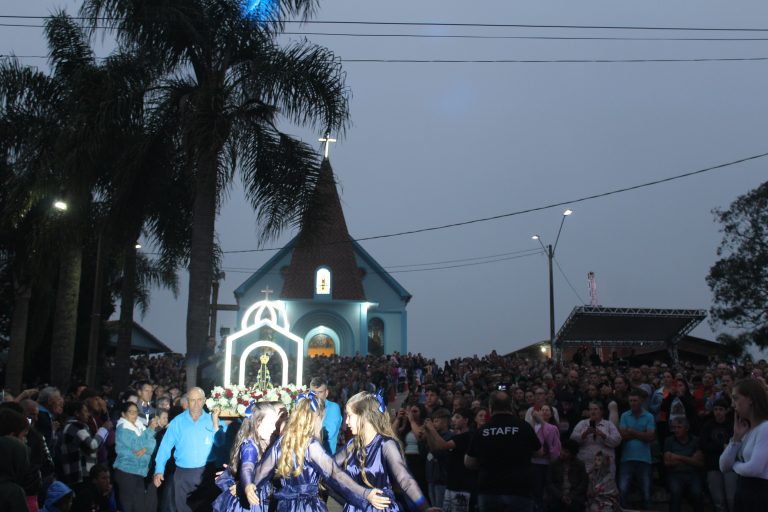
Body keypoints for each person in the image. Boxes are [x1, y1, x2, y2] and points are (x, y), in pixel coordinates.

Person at [250, 392, 391, 511]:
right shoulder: (311, 445)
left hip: (284, 506)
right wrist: (365, 493)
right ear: (318, 417)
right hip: (307, 506)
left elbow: (261, 472)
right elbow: (335, 474)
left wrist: (246, 485)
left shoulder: (282, 443)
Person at [336, 390, 439, 512]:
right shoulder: (352, 444)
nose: (346, 422)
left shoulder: (386, 444)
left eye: (349, 416)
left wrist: (425, 508)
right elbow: (329, 470)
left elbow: (405, 479)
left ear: (364, 416)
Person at [465, 390, 542, 512]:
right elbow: (539, 452)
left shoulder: (482, 430)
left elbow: (468, 462)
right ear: (510, 406)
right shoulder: (523, 427)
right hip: (520, 490)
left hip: (489, 489)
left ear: (490, 408)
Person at [153, 387, 224, 512]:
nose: (196, 404)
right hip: (183, 474)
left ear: (204, 401)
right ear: (187, 401)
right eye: (192, 400)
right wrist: (159, 469)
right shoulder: (177, 421)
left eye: (199, 400)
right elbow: (165, 447)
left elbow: (220, 443)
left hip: (206, 473)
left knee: (206, 509)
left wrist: (215, 424)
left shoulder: (213, 419)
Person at [213, 401, 280, 512]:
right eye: (271, 423)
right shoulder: (250, 445)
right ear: (257, 423)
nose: (274, 428)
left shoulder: (266, 440)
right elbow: (247, 467)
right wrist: (248, 486)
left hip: (264, 494)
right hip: (253, 499)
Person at [719, 378, 768, 510]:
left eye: (735, 398)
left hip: (760, 496)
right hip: (744, 493)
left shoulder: (765, 428)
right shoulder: (746, 430)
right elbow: (723, 466)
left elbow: (754, 469)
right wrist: (736, 438)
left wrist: (735, 465)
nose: (732, 404)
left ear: (751, 399)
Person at [114, 401, 158, 511]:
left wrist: (145, 448)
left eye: (136, 412)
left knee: (139, 506)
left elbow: (152, 442)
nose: (134, 414)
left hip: (139, 472)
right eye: (131, 412)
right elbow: (137, 444)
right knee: (129, 506)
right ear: (123, 414)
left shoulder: (139, 424)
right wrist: (151, 430)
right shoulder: (123, 428)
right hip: (126, 471)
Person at [57, 401, 112, 486]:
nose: (88, 414)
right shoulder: (75, 426)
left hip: (81, 475)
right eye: (85, 411)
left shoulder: (75, 426)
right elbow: (92, 445)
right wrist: (103, 430)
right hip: (80, 476)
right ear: (77, 413)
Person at [617, 389, 655, 511]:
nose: (632, 403)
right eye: (631, 400)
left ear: (641, 401)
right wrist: (641, 434)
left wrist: (632, 432)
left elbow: (650, 437)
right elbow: (622, 435)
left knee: (646, 492)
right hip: (627, 459)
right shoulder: (624, 415)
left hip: (644, 459)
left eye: (635, 400)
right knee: (622, 489)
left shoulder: (649, 416)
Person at [700, 398, 736, 512]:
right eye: (715, 409)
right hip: (713, 466)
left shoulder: (732, 425)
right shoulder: (707, 426)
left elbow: (736, 444)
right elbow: (703, 445)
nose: (718, 412)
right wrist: (722, 446)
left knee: (731, 498)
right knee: (718, 500)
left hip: (730, 466)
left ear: (726, 411)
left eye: (721, 409)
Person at [663, 417, 704, 512]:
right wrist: (690, 459)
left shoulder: (695, 440)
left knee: (697, 493)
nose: (676, 430)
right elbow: (667, 462)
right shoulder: (669, 440)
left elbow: (699, 463)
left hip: (693, 474)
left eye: (679, 427)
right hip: (675, 474)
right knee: (675, 492)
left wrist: (677, 457)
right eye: (674, 427)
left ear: (686, 428)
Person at [570, 402, 621, 478]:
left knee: (604, 488)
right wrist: (584, 434)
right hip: (586, 463)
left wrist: (602, 435)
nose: (593, 412)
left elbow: (617, 441)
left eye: (595, 409)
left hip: (605, 464)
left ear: (601, 411)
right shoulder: (582, 423)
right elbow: (572, 440)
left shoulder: (609, 424)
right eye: (591, 409)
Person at [530, 404, 561, 512]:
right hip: (535, 463)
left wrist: (541, 422)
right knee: (536, 491)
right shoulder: (534, 426)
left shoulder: (553, 428)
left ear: (552, 414)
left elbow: (552, 444)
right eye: (542, 410)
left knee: (548, 493)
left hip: (548, 464)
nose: (544, 412)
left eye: (547, 410)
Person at [545, 440, 587, 512]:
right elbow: (549, 483)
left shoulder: (580, 465)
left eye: (566, 452)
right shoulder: (554, 464)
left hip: (574, 496)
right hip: (558, 495)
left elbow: (583, 484)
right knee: (553, 506)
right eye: (562, 450)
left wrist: (571, 496)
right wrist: (561, 496)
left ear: (572, 455)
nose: (562, 453)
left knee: (576, 506)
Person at [423, 408, 451, 507]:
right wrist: (429, 432)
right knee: (433, 506)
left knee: (440, 506)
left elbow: (439, 451)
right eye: (433, 421)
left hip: (442, 478)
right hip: (431, 477)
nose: (433, 424)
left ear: (445, 423)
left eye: (436, 421)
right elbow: (430, 449)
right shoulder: (434, 434)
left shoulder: (449, 436)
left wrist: (431, 430)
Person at [310, 377, 343, 455]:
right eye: (314, 392)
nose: (316, 395)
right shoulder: (306, 407)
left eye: (320, 392)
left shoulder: (333, 407)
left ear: (326, 393)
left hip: (326, 458)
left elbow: (327, 434)